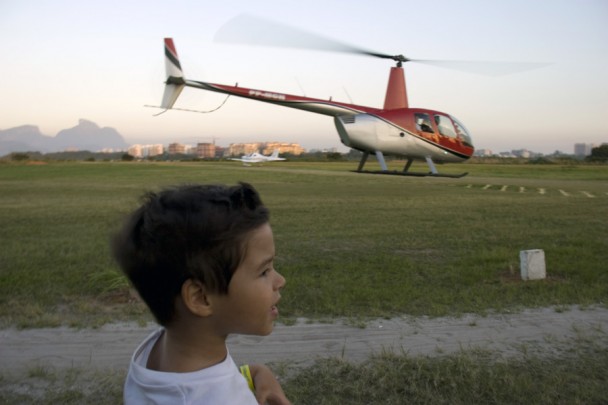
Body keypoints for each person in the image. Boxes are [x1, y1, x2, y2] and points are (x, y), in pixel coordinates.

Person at [112, 182, 290, 404]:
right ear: (200, 298)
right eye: (264, 271)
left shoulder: (160, 351)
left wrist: (259, 374)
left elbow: (208, 381)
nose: (280, 281)